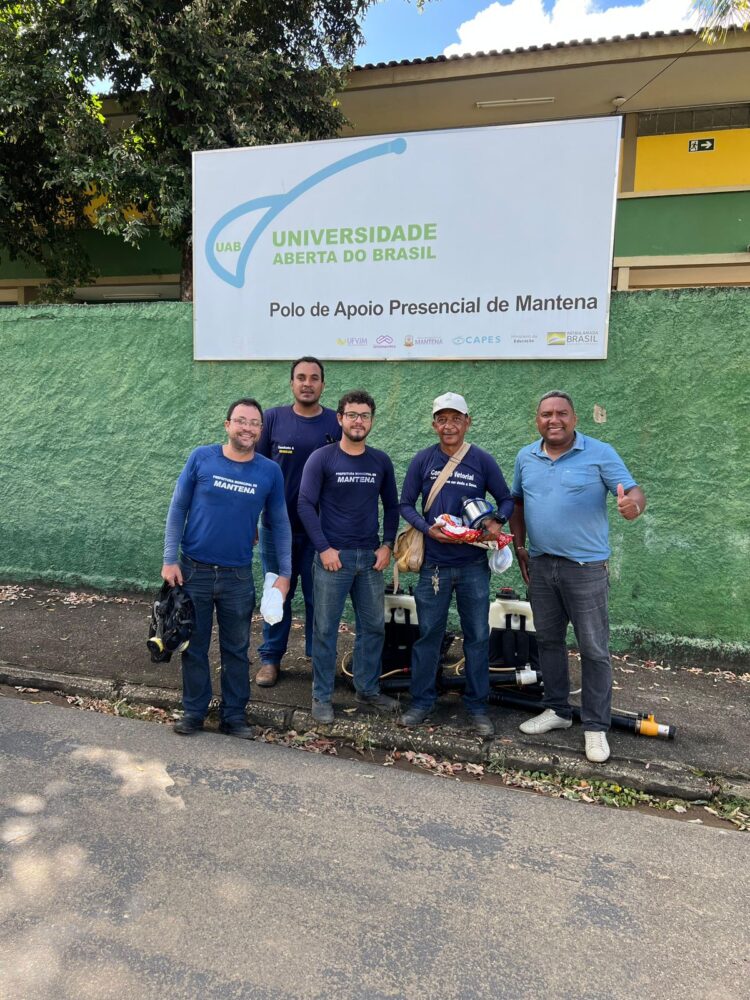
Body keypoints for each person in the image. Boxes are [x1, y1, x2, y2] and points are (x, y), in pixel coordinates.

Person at [509, 390, 646, 763]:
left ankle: (596, 727)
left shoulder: (600, 452)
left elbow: (634, 491)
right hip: (541, 565)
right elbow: (517, 503)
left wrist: (633, 505)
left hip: (585, 570)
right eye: (546, 414)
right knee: (549, 642)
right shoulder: (526, 456)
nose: (554, 420)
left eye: (562, 414)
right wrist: (520, 547)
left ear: (575, 418)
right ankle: (556, 710)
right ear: (536, 420)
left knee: (594, 649)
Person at [161, 398, 291, 738]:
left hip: (237, 576)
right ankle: (194, 711)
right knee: (194, 646)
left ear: (260, 430)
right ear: (227, 425)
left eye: (254, 423)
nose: (247, 428)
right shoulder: (201, 457)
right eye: (241, 421)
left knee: (236, 650)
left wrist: (285, 575)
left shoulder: (269, 471)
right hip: (193, 571)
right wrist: (169, 559)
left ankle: (234, 716)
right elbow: (178, 508)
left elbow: (280, 523)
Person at [398, 392, 514, 737]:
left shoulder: (481, 460)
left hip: (472, 567)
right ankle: (421, 701)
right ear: (434, 424)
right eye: (442, 419)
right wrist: (426, 529)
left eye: (455, 418)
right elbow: (405, 504)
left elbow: (506, 498)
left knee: (477, 636)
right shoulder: (423, 460)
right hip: (433, 566)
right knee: (428, 635)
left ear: (467, 422)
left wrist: (496, 523)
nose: (449, 425)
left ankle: (477, 707)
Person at [298, 390, 399, 724]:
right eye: (352, 415)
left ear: (372, 420)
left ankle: (366, 689)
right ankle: (322, 696)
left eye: (365, 416)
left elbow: (393, 507)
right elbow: (304, 504)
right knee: (325, 630)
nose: (359, 421)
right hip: (333, 560)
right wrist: (324, 548)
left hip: (369, 560)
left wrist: (386, 546)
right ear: (340, 418)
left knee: (372, 628)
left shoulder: (381, 461)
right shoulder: (322, 458)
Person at [255, 356, 341, 687]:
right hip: (278, 530)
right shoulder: (273, 419)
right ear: (291, 383)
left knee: (319, 600)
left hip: (322, 533)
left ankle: (317, 660)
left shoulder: (336, 422)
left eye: (314, 377)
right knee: (277, 594)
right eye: (301, 377)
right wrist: (251, 520)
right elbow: (257, 472)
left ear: (322, 384)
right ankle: (270, 660)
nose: (307, 383)